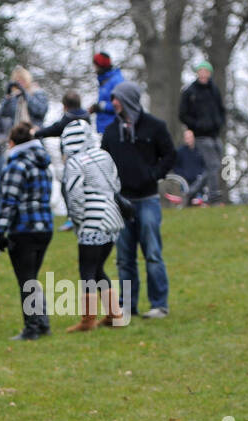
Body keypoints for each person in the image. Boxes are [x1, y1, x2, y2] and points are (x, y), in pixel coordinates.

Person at [102, 81, 175, 319]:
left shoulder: (155, 127)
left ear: (129, 100)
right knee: (124, 259)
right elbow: (104, 163)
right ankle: (127, 306)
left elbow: (170, 155)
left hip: (148, 201)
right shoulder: (111, 132)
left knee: (152, 254)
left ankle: (159, 305)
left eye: (118, 99)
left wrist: (153, 175)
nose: (114, 103)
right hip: (122, 204)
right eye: (113, 98)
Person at [59, 120, 125, 331]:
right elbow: (117, 184)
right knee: (98, 269)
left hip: (92, 222)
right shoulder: (104, 155)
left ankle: (88, 321)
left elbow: (75, 195)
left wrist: (78, 221)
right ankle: (114, 314)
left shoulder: (75, 162)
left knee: (87, 270)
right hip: (113, 219)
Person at [0, 122, 54, 340]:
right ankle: (42, 322)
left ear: (12, 143)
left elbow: (9, 201)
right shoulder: (43, 164)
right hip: (45, 227)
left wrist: (0, 232)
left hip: (24, 229)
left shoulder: (16, 166)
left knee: (26, 280)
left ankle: (31, 328)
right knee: (32, 277)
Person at [178, 61, 225, 204]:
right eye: (201, 71)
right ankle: (213, 197)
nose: (204, 74)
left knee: (215, 166)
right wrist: (196, 126)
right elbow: (182, 114)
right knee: (213, 165)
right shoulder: (190, 91)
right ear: (197, 73)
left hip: (215, 134)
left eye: (206, 71)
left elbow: (221, 109)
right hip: (201, 136)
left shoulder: (214, 90)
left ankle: (190, 193)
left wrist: (219, 123)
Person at [88, 52, 126, 137]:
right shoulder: (104, 81)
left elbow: (121, 105)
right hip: (104, 129)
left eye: (95, 65)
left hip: (114, 129)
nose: (94, 69)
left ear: (100, 65)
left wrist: (100, 107)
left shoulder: (116, 81)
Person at [1, 66, 49, 130]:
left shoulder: (37, 92)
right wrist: (7, 97)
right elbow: (3, 113)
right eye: (17, 81)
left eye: (22, 80)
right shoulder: (14, 96)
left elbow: (40, 111)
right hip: (17, 133)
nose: (20, 83)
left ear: (27, 80)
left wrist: (25, 94)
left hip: (34, 132)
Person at [172, 129, 207, 204]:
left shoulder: (201, 150)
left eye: (189, 137)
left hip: (199, 182)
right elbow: (175, 166)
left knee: (198, 202)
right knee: (187, 202)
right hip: (185, 182)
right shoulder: (180, 151)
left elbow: (206, 165)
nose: (188, 139)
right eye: (186, 137)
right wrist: (182, 176)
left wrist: (201, 175)